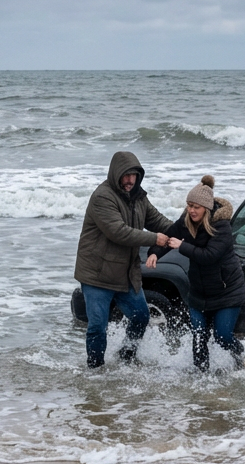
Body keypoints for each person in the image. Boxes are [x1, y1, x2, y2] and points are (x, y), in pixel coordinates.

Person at [73, 151, 172, 368]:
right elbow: (119, 232)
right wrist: (155, 239)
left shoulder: (139, 197)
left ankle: (127, 355)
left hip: (126, 274)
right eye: (126, 175)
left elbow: (158, 220)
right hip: (97, 275)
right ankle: (95, 370)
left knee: (141, 317)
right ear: (116, 174)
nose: (130, 180)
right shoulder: (102, 197)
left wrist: (183, 231)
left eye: (133, 175)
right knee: (97, 327)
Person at [147, 175, 245, 371]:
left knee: (222, 337)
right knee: (199, 338)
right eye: (189, 205)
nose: (191, 210)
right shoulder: (186, 221)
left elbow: (209, 255)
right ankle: (200, 382)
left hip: (227, 292)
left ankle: (242, 358)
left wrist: (182, 246)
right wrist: (155, 253)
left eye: (196, 207)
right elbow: (169, 236)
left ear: (206, 208)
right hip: (199, 293)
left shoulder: (222, 226)